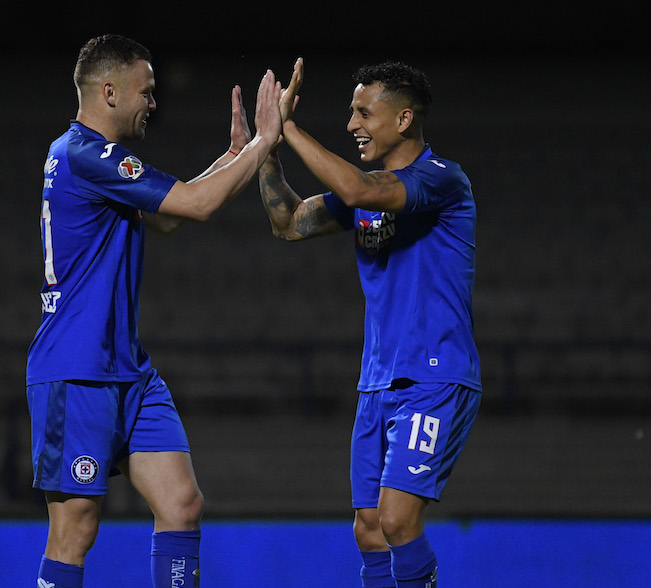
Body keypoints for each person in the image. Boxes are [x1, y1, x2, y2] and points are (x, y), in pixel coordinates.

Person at [26, 34, 283, 588]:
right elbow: (197, 204)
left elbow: (172, 214)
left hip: (130, 370)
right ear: (110, 91)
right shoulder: (83, 154)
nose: (153, 102)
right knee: (75, 531)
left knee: (182, 504)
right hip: (78, 370)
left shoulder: (99, 162)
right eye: (146, 91)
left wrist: (235, 156)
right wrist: (266, 141)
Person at [258, 58, 482, 588]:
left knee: (398, 519)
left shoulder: (441, 180)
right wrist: (266, 147)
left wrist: (289, 127)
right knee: (369, 529)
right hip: (377, 380)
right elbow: (288, 222)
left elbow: (362, 190)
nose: (352, 124)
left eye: (363, 113)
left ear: (403, 120)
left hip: (434, 376)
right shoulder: (365, 192)